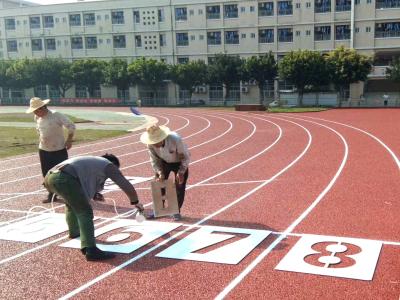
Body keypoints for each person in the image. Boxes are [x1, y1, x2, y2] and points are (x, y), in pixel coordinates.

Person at [44, 154, 144, 261]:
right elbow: (124, 183)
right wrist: (135, 201)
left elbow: (85, 179)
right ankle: (90, 249)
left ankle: (74, 232)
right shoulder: (109, 165)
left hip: (50, 177)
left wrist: (95, 193)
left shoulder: (94, 162)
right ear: (114, 164)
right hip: (65, 178)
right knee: (85, 212)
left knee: (72, 204)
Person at [26, 97, 76, 203]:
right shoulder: (37, 117)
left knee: (62, 173)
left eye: (35, 110)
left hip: (59, 149)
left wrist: (69, 140)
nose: (34, 113)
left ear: (42, 108)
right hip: (44, 150)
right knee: (46, 174)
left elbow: (71, 126)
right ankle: (51, 194)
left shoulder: (56, 115)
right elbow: (39, 130)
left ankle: (67, 194)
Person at [140, 125, 190, 221]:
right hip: (163, 162)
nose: (154, 144)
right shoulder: (150, 144)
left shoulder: (175, 139)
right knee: (159, 182)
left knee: (179, 186)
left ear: (162, 138)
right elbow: (154, 160)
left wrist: (181, 171)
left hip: (179, 162)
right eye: (152, 142)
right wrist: (159, 172)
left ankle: (176, 211)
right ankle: (158, 211)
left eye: (156, 141)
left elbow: (185, 157)